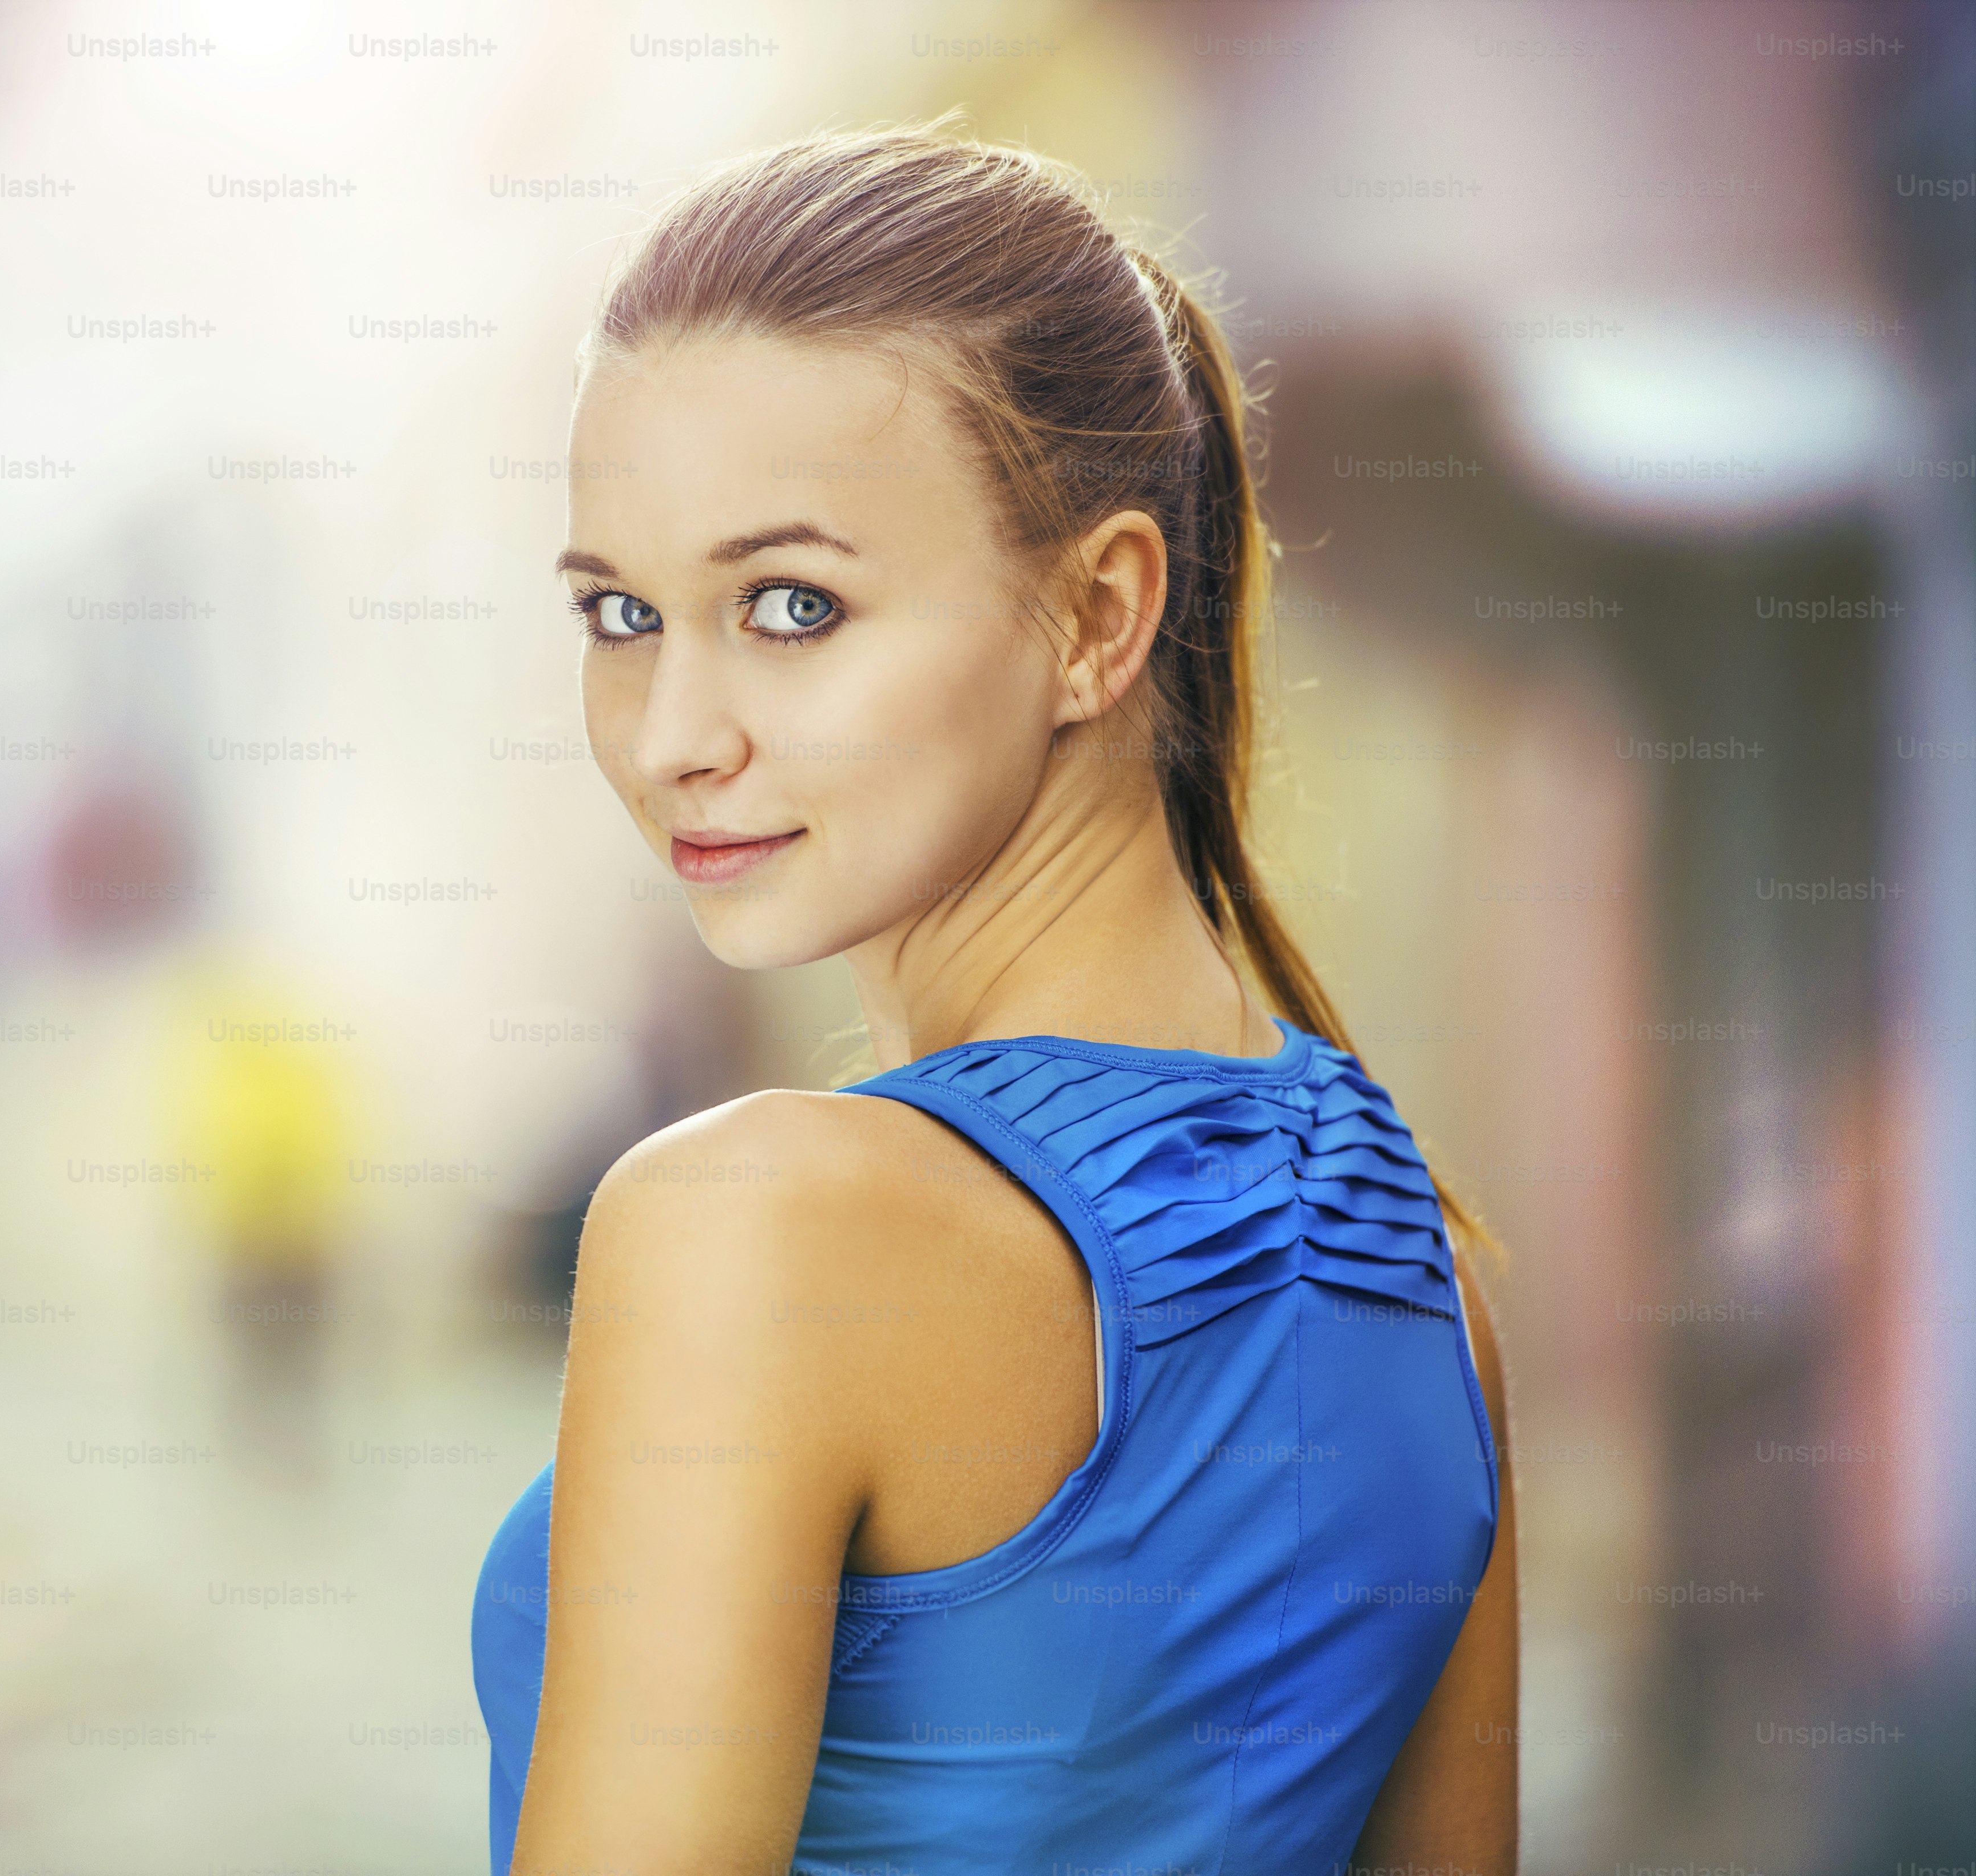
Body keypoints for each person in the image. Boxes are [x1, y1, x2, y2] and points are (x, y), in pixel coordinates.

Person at [470, 122, 1516, 1875]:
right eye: (622, 614)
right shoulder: (1430, 1275)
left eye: (791, 604)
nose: (670, 737)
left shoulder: (753, 1228)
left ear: (1100, 615)